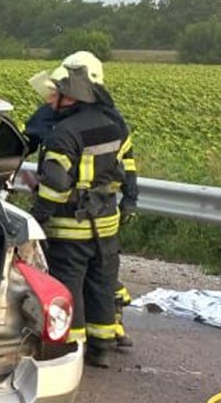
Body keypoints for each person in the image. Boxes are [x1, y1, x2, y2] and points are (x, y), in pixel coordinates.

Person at [24, 51, 139, 343]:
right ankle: (102, 342)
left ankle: (70, 344)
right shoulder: (115, 122)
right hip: (107, 223)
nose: (50, 99)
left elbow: (55, 187)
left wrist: (36, 219)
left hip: (70, 226)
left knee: (68, 284)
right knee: (102, 281)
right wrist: (130, 199)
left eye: (56, 92)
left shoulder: (63, 132)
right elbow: (128, 165)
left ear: (72, 92)